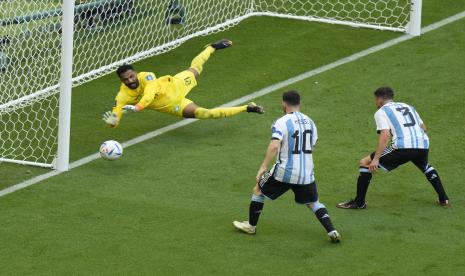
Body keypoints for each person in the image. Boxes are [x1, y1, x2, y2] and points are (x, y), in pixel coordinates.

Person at [233, 90, 341, 243]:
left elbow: (274, 145)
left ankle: (251, 226)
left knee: (258, 189)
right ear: (299, 103)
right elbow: (313, 144)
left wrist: (263, 166)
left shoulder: (282, 122)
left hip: (284, 172)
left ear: (284, 104)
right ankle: (332, 230)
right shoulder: (310, 121)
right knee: (313, 202)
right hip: (306, 173)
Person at [103, 39, 264, 127]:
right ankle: (247, 108)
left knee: (195, 68)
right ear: (121, 81)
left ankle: (211, 47)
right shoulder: (123, 94)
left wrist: (138, 107)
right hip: (174, 105)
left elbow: (149, 95)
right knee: (206, 114)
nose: (130, 80)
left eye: (131, 76)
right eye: (126, 79)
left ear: (136, 73)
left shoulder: (147, 77)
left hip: (176, 84)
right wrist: (114, 121)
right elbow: (116, 111)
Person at [337, 87, 449, 209]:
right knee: (425, 166)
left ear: (379, 99)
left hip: (403, 148)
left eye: (375, 100)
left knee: (365, 162)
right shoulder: (408, 106)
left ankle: (359, 203)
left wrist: (376, 159)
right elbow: (424, 127)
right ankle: (444, 199)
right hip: (423, 144)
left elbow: (385, 136)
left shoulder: (381, 112)